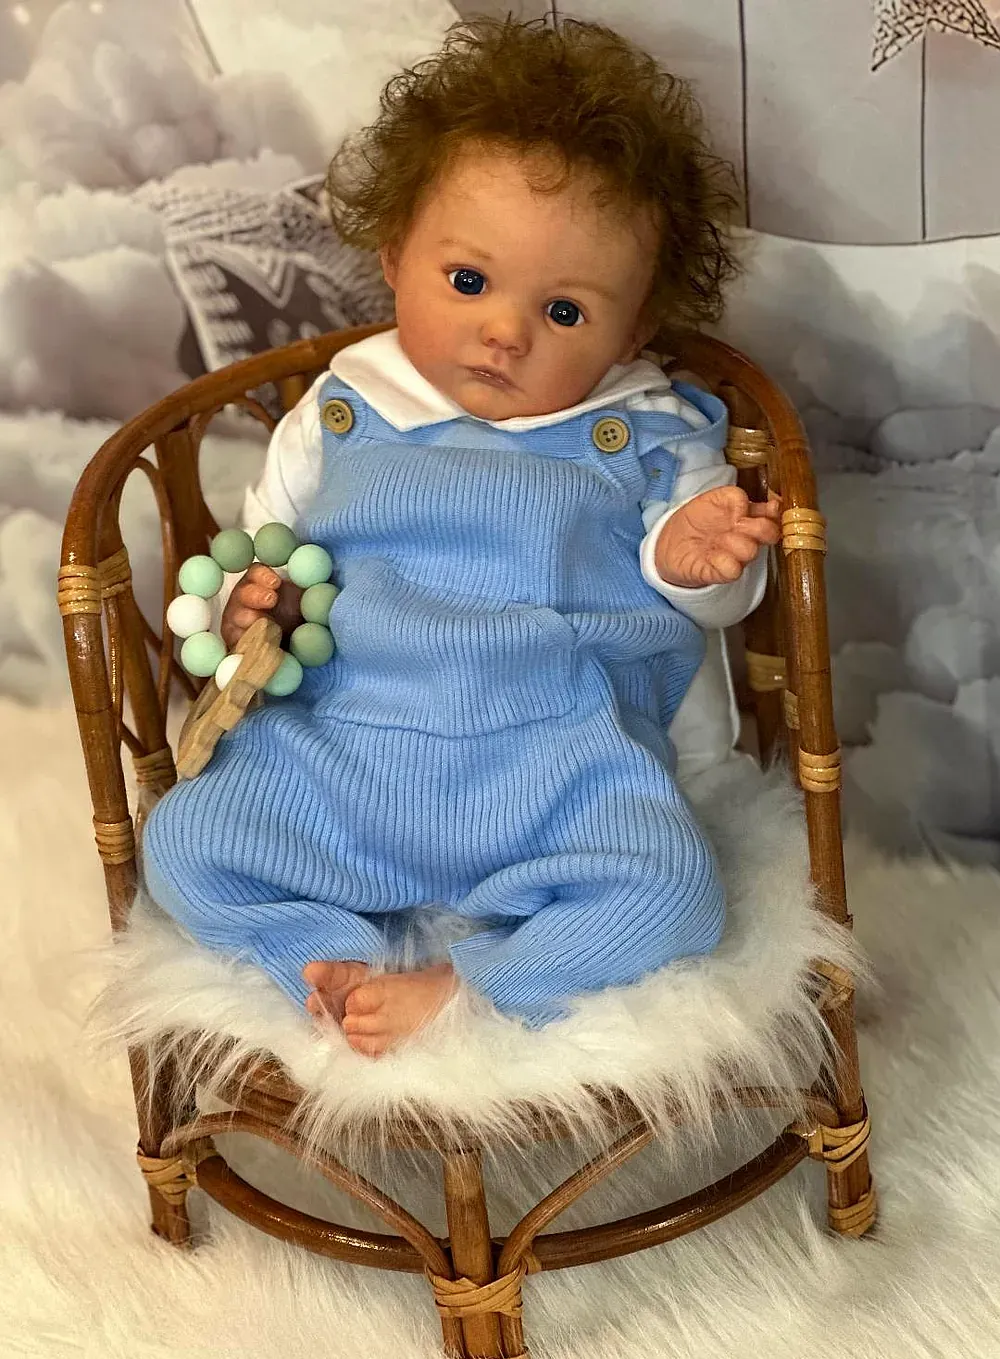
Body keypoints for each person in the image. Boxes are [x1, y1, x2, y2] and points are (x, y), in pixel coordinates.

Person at [143, 17, 780, 1058]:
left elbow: (719, 600)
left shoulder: (648, 430)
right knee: (186, 845)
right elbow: (258, 558)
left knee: (673, 894)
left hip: (552, 758)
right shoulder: (341, 410)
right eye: (470, 282)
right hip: (345, 745)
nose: (505, 332)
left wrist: (692, 559)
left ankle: (472, 986)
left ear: (632, 330)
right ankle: (328, 962)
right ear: (396, 256)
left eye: (565, 312)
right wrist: (250, 603)